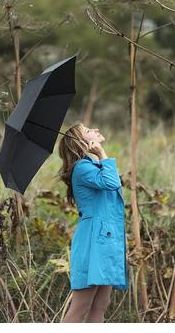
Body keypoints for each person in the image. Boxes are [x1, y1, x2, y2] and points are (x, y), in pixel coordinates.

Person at [56, 122, 128, 322]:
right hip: (92, 242)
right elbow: (112, 183)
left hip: (106, 241)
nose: (95, 129)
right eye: (88, 131)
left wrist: (100, 157)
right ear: (80, 143)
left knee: (100, 305)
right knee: (81, 306)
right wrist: (102, 153)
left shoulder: (94, 166)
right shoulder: (82, 168)